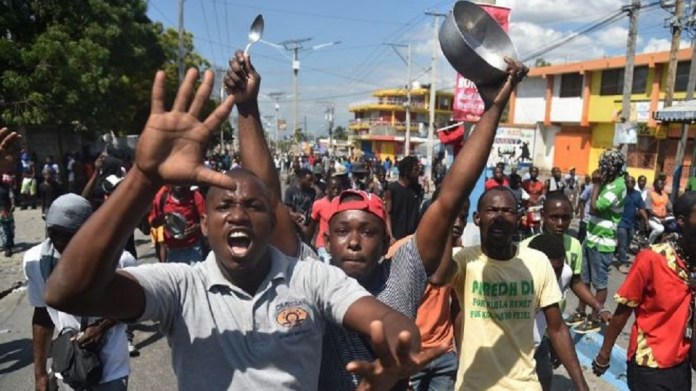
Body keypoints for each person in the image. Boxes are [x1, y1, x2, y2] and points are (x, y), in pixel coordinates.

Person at [44, 66, 442, 390]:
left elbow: (382, 317)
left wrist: (398, 340)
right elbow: (67, 292)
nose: (237, 214)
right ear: (203, 222)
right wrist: (144, 178)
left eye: (252, 205)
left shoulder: (311, 278)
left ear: (272, 221)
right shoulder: (181, 287)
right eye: (224, 205)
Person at [224, 52, 527, 390]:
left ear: (385, 241)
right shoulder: (311, 272)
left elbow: (449, 199)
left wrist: (493, 109)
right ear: (326, 238)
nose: (353, 241)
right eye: (342, 231)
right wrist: (247, 107)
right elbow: (268, 199)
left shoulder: (403, 271)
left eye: (367, 231)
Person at [446, 186, 588, 391]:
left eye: (508, 211)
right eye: (492, 210)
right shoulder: (464, 260)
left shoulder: (537, 262)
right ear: (477, 218)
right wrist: (448, 221)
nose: (499, 217)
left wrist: (581, 385)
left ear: (519, 218)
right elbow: (439, 276)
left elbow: (557, 328)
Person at [25, 194, 132, 391]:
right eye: (53, 233)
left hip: (111, 368)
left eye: (69, 235)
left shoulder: (118, 260)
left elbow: (133, 305)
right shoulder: (37, 261)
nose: (59, 241)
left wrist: (102, 326)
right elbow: (42, 316)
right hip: (68, 366)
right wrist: (40, 374)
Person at [593, 192, 696, 391]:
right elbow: (623, 311)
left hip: (681, 364)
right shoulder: (652, 259)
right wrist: (604, 353)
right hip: (649, 363)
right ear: (682, 221)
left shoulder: (692, 264)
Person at [386, 197, 470, 391]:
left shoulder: (457, 256)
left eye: (463, 217)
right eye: (452, 216)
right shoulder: (401, 250)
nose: (458, 223)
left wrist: (461, 354)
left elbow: (456, 307)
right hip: (411, 356)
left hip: (444, 354)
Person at [521, 193, 611, 330]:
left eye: (565, 218)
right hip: (527, 321)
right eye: (554, 217)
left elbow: (575, 281)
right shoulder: (525, 248)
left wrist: (599, 307)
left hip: (555, 320)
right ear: (543, 216)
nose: (560, 224)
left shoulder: (574, 245)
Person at [576, 150, 627, 334]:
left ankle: (595, 316)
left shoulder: (618, 186)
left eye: (604, 167)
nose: (601, 170)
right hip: (591, 237)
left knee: (600, 282)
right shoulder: (608, 181)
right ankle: (581, 311)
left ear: (613, 168)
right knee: (583, 278)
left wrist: (596, 184)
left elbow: (595, 208)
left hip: (604, 242)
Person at [526, 234, 573, 391]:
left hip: (538, 345)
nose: (554, 277)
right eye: (549, 270)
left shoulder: (565, 275)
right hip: (510, 351)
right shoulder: (518, 281)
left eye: (558, 269)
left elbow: (555, 321)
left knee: (545, 377)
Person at [148, 185, 207, 264]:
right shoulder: (163, 197)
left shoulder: (195, 196)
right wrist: (164, 219)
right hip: (172, 251)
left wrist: (198, 227)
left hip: (193, 248)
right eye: (176, 181)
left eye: (182, 181)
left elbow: (207, 221)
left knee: (193, 275)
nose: (179, 184)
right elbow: (153, 223)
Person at [385, 155, 423, 241]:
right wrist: (391, 236)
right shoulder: (392, 189)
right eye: (415, 169)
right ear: (407, 171)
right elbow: (388, 213)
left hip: (412, 238)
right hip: (396, 238)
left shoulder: (417, 189)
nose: (418, 172)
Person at [307, 176, 344, 262]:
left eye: (338, 188)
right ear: (327, 189)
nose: (336, 191)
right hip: (323, 244)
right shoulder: (319, 204)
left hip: (339, 243)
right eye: (333, 188)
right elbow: (312, 225)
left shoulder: (344, 205)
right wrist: (307, 242)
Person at [617, 176, 648, 274]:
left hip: (631, 224)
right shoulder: (621, 194)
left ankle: (620, 255)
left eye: (631, 182)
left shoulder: (637, 195)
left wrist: (646, 220)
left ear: (634, 184)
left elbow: (641, 208)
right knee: (622, 243)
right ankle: (622, 263)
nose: (629, 183)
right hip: (621, 222)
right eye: (627, 182)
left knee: (628, 242)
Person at [575, 170, 600, 243]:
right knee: (581, 237)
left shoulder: (603, 189)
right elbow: (581, 199)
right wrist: (582, 216)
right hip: (586, 217)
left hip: (595, 219)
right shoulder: (590, 188)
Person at [646, 178, 672, 244]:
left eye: (663, 184)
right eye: (660, 184)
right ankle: (649, 243)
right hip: (653, 218)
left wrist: (672, 213)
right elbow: (649, 209)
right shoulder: (650, 194)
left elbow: (670, 207)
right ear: (654, 185)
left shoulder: (665, 195)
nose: (662, 185)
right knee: (660, 229)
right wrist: (658, 216)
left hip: (664, 218)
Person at [0, 170, 15, 257]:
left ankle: (10, 240)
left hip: (8, 210)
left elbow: (11, 195)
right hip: (0, 212)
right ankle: (7, 247)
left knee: (11, 228)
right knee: (3, 230)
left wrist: (13, 204)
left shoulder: (6, 186)